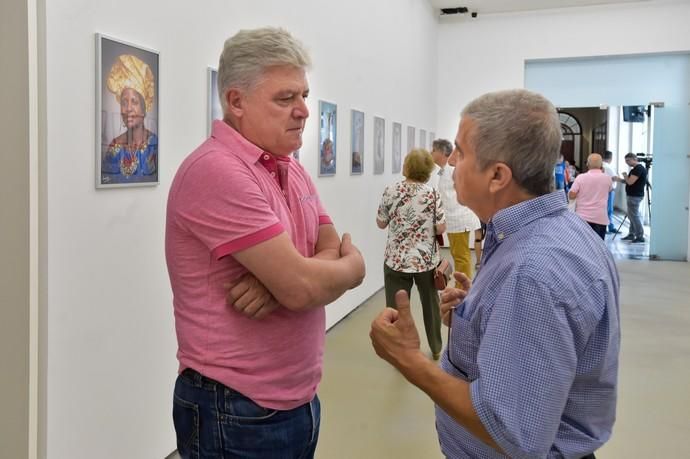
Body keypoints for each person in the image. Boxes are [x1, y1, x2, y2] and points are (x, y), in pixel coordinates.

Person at [370, 89, 620, 459]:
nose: (451, 161)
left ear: (497, 175)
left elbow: (507, 428)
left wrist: (410, 360)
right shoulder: (555, 233)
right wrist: (481, 316)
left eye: (461, 151)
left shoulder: (531, 272)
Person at [165, 28, 365, 458]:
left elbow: (321, 249)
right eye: (285, 98)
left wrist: (288, 279)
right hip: (234, 406)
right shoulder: (218, 171)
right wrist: (350, 268)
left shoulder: (291, 168)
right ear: (236, 102)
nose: (304, 111)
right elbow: (307, 283)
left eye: (305, 95)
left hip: (294, 397)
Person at [376, 149, 446, 360]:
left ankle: (399, 349)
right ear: (427, 170)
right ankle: (435, 347)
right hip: (425, 261)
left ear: (406, 166)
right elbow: (441, 228)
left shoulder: (390, 191)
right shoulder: (432, 194)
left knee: (396, 307)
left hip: (396, 260)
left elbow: (380, 223)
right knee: (430, 305)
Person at [102, 54, 158, 184]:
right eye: (124, 102)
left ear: (144, 109)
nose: (128, 108)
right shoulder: (114, 147)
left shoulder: (155, 146)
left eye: (134, 102)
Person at [431, 138, 481, 280]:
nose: (431, 153)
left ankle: (463, 292)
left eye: (433, 150)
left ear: (441, 152)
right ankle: (462, 288)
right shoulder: (444, 170)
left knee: (461, 257)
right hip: (454, 220)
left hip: (459, 219)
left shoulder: (453, 169)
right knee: (458, 255)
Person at [568, 153, 614, 240]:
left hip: (582, 218)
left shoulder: (580, 177)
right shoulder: (608, 178)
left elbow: (572, 195)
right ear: (601, 165)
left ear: (587, 164)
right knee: (598, 247)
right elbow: (609, 190)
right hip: (600, 218)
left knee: (583, 247)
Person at [616, 153, 648, 243]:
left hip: (635, 196)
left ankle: (640, 236)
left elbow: (630, 182)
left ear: (634, 159)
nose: (627, 163)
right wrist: (619, 179)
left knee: (634, 216)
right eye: (626, 161)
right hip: (633, 195)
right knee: (632, 216)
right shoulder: (635, 169)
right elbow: (629, 182)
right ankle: (632, 234)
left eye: (628, 160)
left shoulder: (638, 169)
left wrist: (625, 175)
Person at [602, 150, 618, 233]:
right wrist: (625, 180)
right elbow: (614, 177)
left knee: (607, 209)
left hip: (604, 190)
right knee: (608, 209)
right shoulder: (607, 167)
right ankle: (607, 227)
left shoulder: (602, 165)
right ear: (610, 158)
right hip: (609, 190)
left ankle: (610, 227)